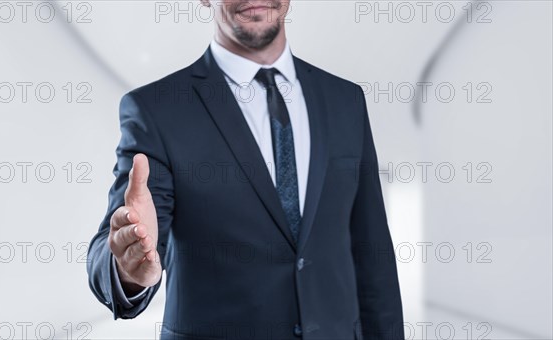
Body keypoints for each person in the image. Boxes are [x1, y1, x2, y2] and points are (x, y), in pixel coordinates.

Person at [87, 0, 404, 339]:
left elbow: (373, 258)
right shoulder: (157, 110)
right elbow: (120, 240)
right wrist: (128, 269)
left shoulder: (345, 100)